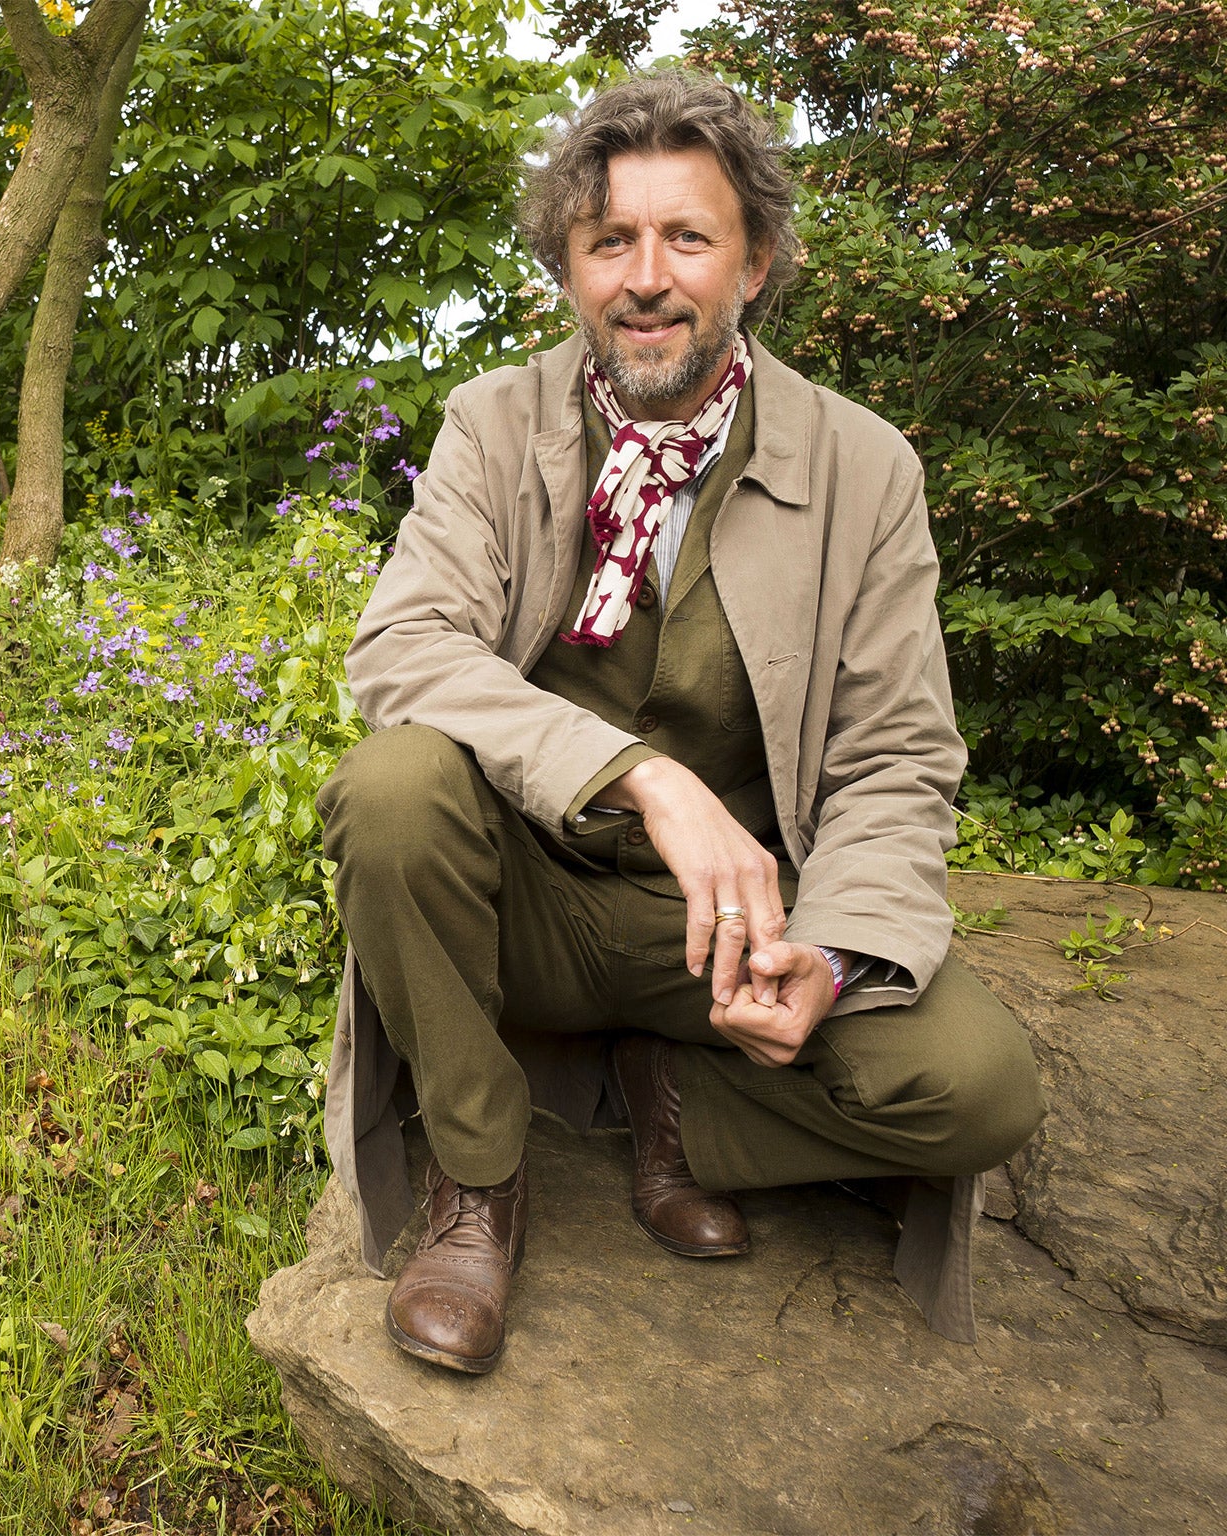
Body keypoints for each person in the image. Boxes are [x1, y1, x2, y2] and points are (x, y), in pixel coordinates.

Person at [316, 70, 1045, 1375]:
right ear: (569, 271)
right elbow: (402, 650)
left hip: (732, 938)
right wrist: (642, 775)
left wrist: (825, 957)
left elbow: (896, 761)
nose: (646, 277)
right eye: (611, 241)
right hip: (522, 898)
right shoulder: (496, 426)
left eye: (686, 237)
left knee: (981, 1087)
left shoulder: (865, 467)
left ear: (754, 261)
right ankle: (480, 1181)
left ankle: (682, 1108)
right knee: (390, 787)